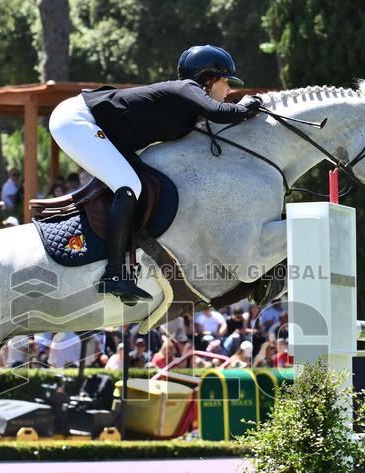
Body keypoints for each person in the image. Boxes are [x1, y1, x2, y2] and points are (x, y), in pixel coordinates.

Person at [48, 45, 261, 303]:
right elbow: (219, 113)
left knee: (138, 182)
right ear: (207, 79)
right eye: (226, 81)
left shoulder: (188, 109)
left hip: (92, 126)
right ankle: (113, 275)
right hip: (76, 120)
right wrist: (248, 106)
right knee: (128, 185)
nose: (229, 90)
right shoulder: (186, 89)